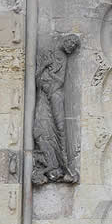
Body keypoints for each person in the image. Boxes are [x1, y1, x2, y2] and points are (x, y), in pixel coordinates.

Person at [33, 34, 80, 185]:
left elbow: (60, 81)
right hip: (44, 96)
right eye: (70, 43)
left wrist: (51, 74)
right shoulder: (48, 54)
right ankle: (53, 164)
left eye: (74, 46)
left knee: (60, 129)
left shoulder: (63, 59)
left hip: (55, 95)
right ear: (64, 41)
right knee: (39, 131)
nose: (71, 46)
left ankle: (62, 165)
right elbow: (35, 79)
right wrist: (44, 66)